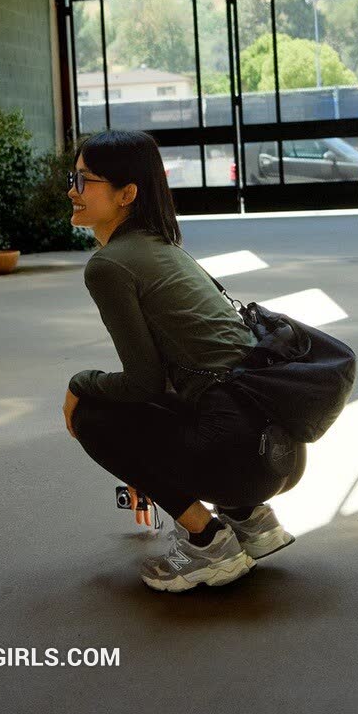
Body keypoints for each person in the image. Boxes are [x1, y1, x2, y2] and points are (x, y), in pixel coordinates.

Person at [63, 129, 305, 593]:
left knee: (93, 415)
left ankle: (208, 543)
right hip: (280, 455)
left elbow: (143, 383)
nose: (72, 191)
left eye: (84, 180)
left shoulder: (109, 266)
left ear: (126, 194)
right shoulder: (165, 247)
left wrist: (80, 383)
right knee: (172, 399)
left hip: (239, 458)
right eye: (72, 178)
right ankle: (251, 520)